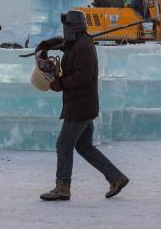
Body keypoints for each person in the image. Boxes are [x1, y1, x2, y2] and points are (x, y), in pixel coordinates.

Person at [38, 10, 128, 202]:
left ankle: (62, 187)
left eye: (66, 27)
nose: (64, 31)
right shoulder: (77, 43)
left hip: (80, 106)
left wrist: (59, 83)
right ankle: (116, 178)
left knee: (64, 144)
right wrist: (45, 45)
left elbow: (83, 76)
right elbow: (62, 43)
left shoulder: (83, 47)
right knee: (84, 147)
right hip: (83, 104)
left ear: (72, 27)